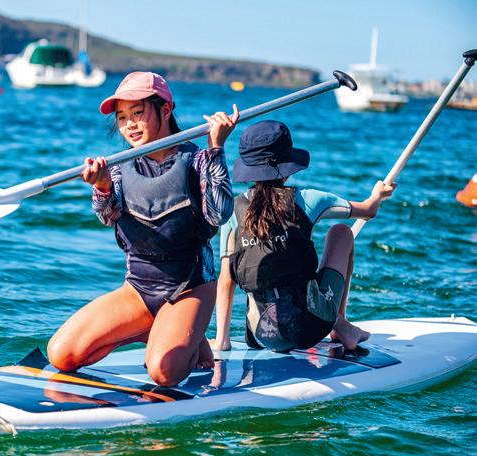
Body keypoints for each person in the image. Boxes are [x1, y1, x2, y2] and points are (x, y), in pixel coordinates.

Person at [47, 72, 239, 386]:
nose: (130, 125)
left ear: (165, 109)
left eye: (138, 113)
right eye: (122, 118)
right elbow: (108, 217)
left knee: (162, 372)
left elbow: (220, 214)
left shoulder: (197, 159)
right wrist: (102, 187)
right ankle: (157, 329)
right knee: (62, 355)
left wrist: (216, 148)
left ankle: (187, 335)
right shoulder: (119, 167)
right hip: (138, 287)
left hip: (189, 287)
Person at [212, 120, 395, 353]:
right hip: (310, 329)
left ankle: (224, 339)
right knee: (341, 233)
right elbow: (368, 210)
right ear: (287, 166)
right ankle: (339, 324)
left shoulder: (234, 212)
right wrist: (378, 194)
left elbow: (226, 279)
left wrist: (222, 340)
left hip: (263, 335)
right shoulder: (307, 199)